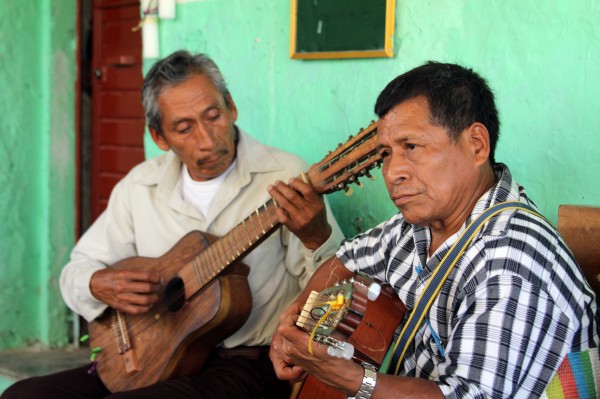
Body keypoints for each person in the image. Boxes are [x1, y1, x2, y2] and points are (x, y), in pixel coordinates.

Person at [1, 50, 344, 399]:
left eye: (214, 116)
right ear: (159, 137)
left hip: (247, 364)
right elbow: (75, 271)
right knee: (24, 396)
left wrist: (317, 238)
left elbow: (336, 294)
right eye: (185, 128)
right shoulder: (140, 185)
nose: (208, 140)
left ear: (231, 107)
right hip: (153, 357)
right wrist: (97, 283)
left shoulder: (285, 177)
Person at [270, 61, 600, 398]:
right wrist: (294, 324)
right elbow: (344, 261)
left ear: (476, 145)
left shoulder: (511, 262)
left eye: (411, 147)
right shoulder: (415, 227)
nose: (393, 171)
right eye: (386, 153)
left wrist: (356, 380)